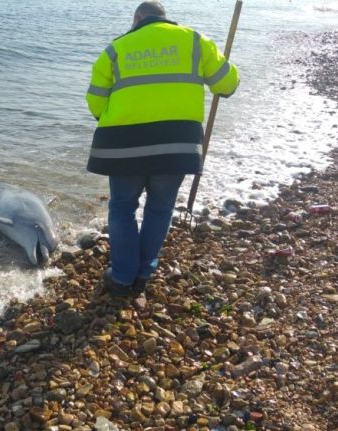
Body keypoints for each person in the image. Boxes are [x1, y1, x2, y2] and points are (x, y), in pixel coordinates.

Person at [85, 1, 240, 296]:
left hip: (124, 146)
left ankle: (122, 277)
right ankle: (143, 270)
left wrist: (114, 118)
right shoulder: (195, 41)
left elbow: (94, 101)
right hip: (176, 145)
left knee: (122, 208)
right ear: (164, 17)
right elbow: (227, 85)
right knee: (159, 208)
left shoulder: (116, 49)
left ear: (137, 19)